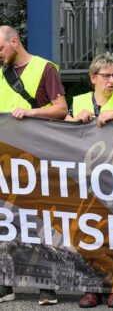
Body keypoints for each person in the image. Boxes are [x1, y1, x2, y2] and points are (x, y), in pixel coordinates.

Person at [0, 25, 68, 305]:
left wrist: (31, 112)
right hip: (7, 159)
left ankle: (47, 286)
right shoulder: (2, 71)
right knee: (6, 220)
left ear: (14, 42)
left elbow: (61, 109)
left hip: (38, 158)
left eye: (1, 47)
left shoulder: (44, 69)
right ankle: (5, 284)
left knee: (42, 220)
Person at [66, 52, 113, 308]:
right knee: (88, 233)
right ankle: (91, 289)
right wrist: (75, 120)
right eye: (106, 76)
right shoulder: (78, 101)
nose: (111, 81)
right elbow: (61, 132)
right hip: (85, 177)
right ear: (93, 78)